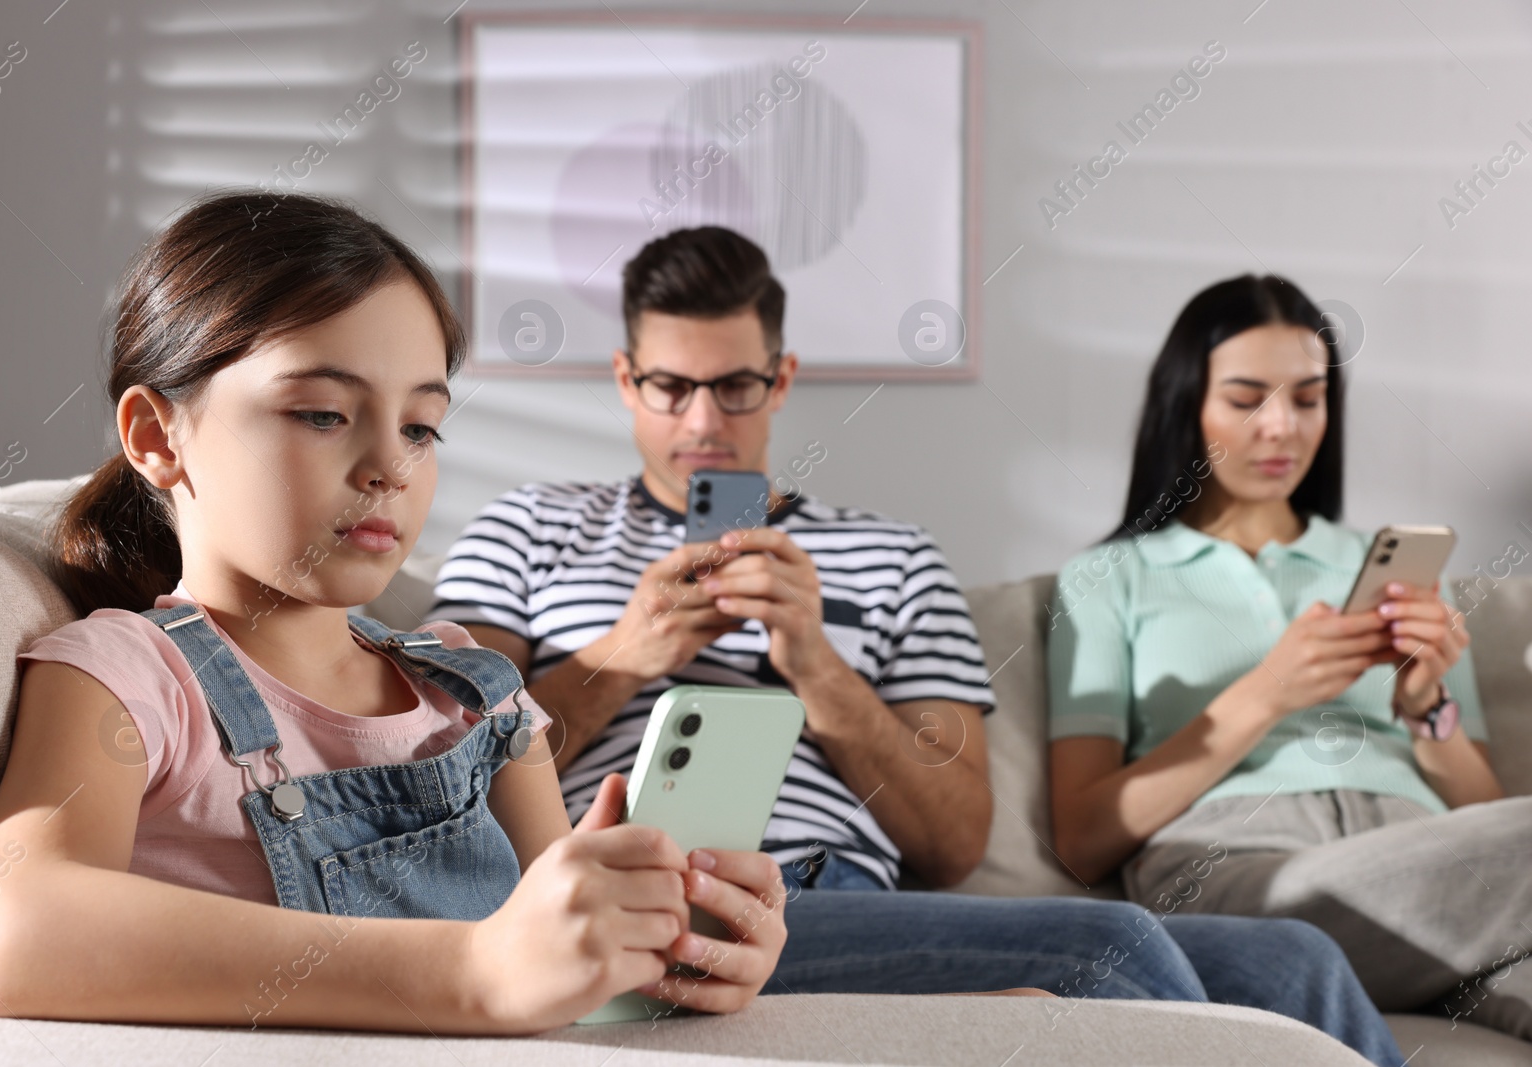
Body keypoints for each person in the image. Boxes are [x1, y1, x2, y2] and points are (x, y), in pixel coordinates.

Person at [428, 228, 1405, 1063]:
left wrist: (815, 665)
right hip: (613, 885)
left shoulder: (893, 557)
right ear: (624, 379)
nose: (702, 423)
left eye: (733, 386)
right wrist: (623, 653)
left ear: (781, 379)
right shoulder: (528, 528)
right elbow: (446, 771)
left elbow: (952, 842)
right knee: (1108, 945)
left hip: (833, 895)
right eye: (670, 386)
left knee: (1295, 958)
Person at [0, 191, 789, 1034]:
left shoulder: (476, 692)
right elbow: (14, 931)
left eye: (422, 427)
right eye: (322, 413)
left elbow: (572, 986)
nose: (391, 463)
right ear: (157, 436)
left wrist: (662, 958)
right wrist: (473, 972)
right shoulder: (129, 675)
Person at [1047, 272, 1532, 1040]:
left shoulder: (1384, 565)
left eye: (1308, 399)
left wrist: (1425, 710)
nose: (1282, 427)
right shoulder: (1110, 578)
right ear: (1187, 403)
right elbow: (1082, 838)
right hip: (1244, 862)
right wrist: (1266, 694)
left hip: (1431, 857)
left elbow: (1484, 815)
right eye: (1246, 400)